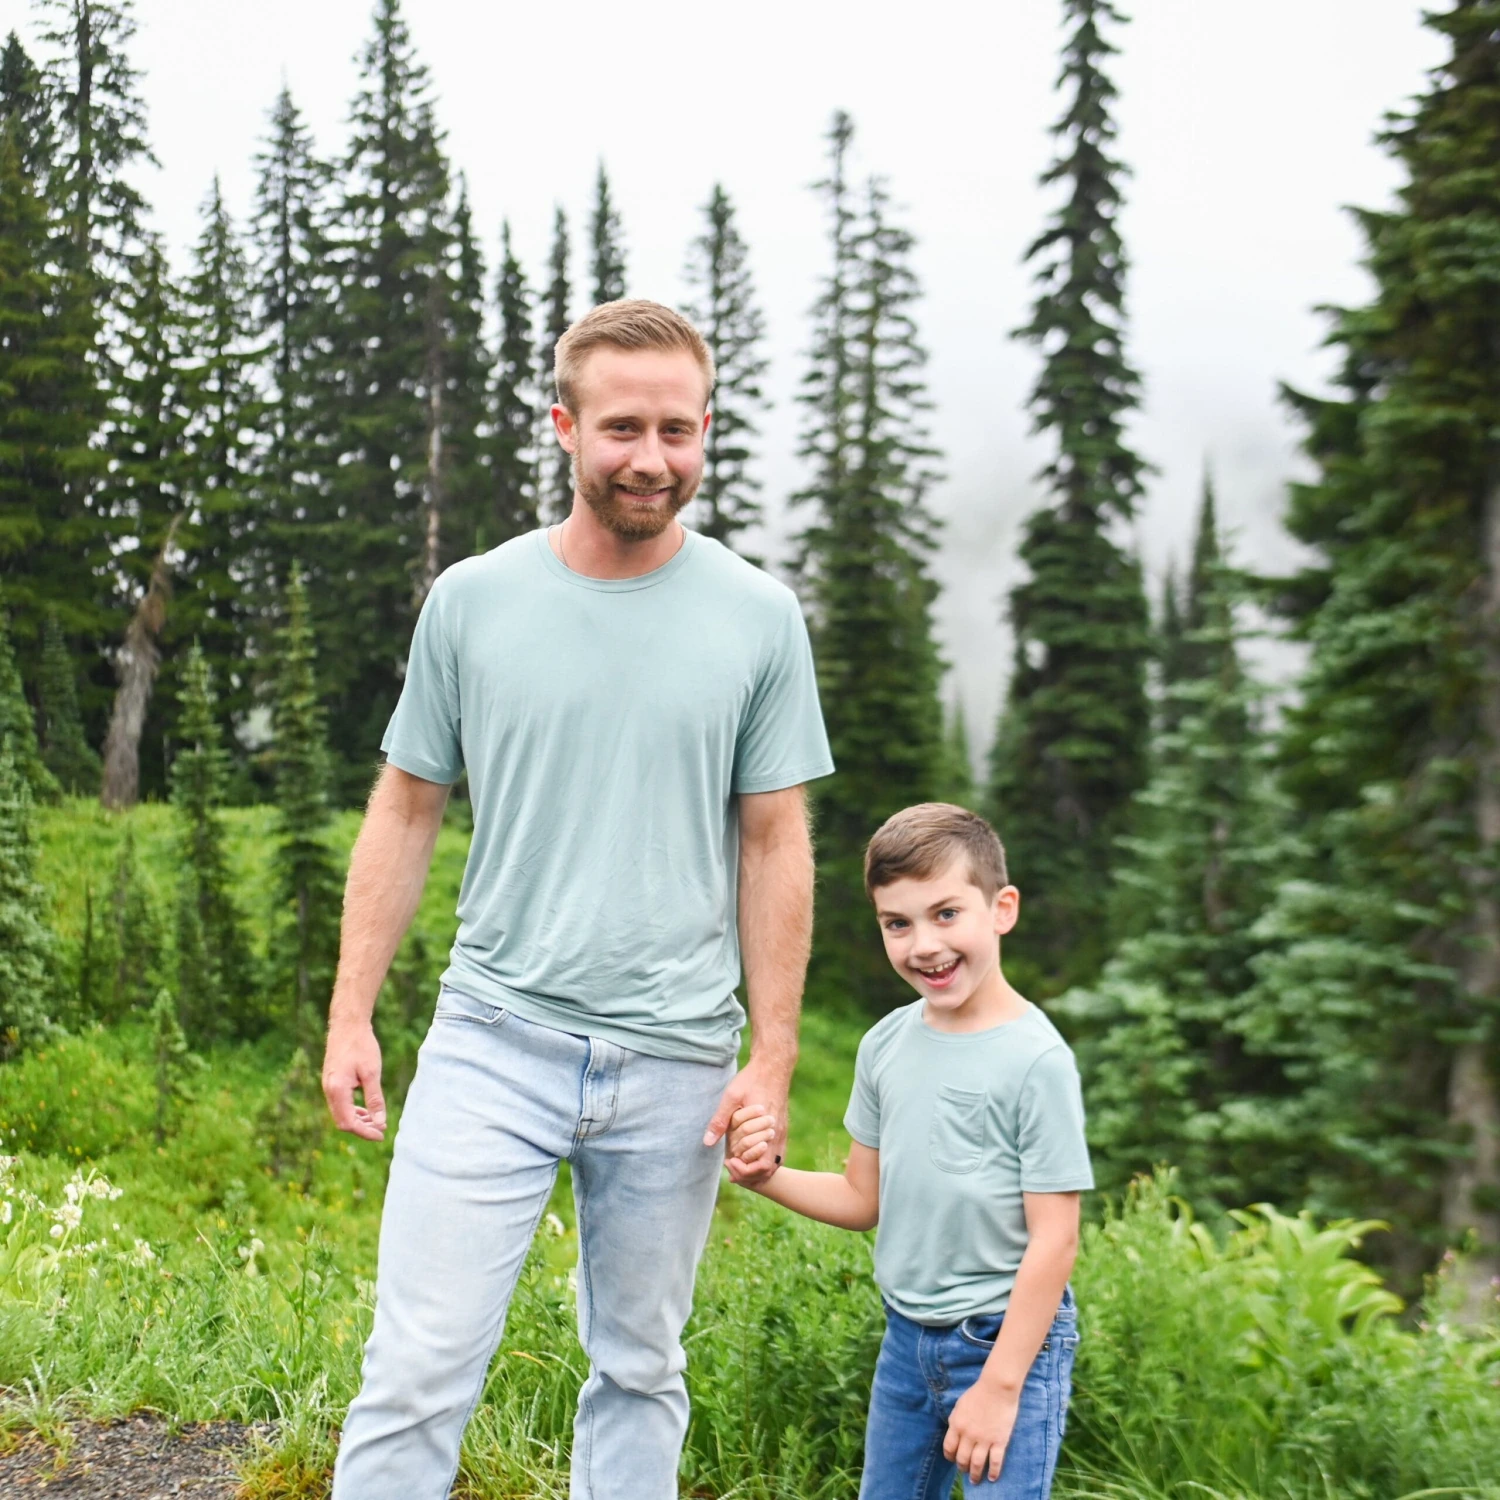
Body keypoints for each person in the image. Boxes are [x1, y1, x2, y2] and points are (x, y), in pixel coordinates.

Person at [321, 299, 835, 1500]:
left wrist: (774, 1056)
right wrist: (353, 1011)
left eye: (677, 429)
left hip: (679, 1064)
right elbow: (404, 809)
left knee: (643, 1371)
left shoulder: (759, 618)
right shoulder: (474, 600)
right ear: (565, 427)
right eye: (621, 429)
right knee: (418, 1368)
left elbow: (775, 845)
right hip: (494, 1040)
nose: (651, 458)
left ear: (707, 429)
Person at [727, 803, 1093, 1499]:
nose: (924, 944)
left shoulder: (1035, 1059)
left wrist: (1000, 1386)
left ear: (1002, 908)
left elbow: (1056, 1239)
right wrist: (763, 1176)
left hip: (1005, 1345)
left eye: (946, 913)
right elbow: (864, 1200)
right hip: (906, 1345)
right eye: (898, 923)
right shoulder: (885, 1045)